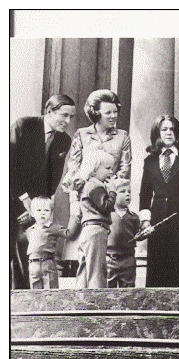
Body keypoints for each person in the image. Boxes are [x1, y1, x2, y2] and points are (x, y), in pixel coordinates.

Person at [10, 94, 76, 289]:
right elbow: (9, 165)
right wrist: (23, 200)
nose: (67, 121)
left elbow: (53, 179)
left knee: (28, 250)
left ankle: (24, 299)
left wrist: (40, 207)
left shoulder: (64, 140)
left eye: (71, 117)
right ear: (49, 111)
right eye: (64, 115)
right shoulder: (24, 126)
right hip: (11, 196)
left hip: (35, 206)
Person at [59, 89, 131, 266]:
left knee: (106, 253)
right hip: (85, 197)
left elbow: (124, 168)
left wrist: (112, 191)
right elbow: (74, 166)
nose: (113, 116)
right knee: (82, 251)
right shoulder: (82, 135)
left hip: (109, 199)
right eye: (108, 112)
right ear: (95, 112)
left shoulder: (122, 136)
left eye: (115, 111)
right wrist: (76, 195)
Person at [140, 115, 179, 287]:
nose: (169, 133)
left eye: (172, 129)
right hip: (158, 220)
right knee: (159, 267)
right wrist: (145, 221)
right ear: (157, 133)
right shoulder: (150, 161)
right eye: (164, 129)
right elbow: (145, 194)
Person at [74, 150, 117, 289]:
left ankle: (81, 300)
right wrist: (112, 191)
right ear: (93, 169)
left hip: (87, 230)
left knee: (85, 268)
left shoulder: (87, 185)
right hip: (96, 230)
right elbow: (106, 206)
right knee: (97, 270)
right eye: (107, 168)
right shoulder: (96, 186)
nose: (111, 172)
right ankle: (98, 302)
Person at [25, 195, 81, 289]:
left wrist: (75, 217)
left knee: (50, 290)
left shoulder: (53, 227)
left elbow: (68, 233)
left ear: (51, 213)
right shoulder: (30, 230)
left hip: (48, 263)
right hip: (33, 264)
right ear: (32, 213)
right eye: (39, 210)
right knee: (35, 292)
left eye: (46, 210)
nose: (42, 213)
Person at [107, 179, 140, 288]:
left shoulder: (133, 217)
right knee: (107, 291)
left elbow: (137, 235)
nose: (127, 194)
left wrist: (144, 233)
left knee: (128, 292)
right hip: (110, 259)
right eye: (122, 191)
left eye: (129, 192)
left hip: (128, 260)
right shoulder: (107, 215)